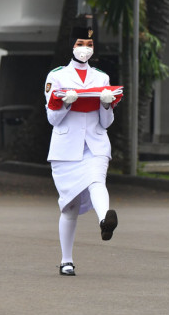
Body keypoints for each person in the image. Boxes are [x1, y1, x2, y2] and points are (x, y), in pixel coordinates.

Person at [44, 24, 123, 276]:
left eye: (89, 45)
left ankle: (104, 220)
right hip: (66, 148)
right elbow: (53, 119)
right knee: (69, 207)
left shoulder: (101, 78)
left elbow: (106, 122)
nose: (85, 49)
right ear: (72, 46)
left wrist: (107, 105)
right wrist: (66, 103)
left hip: (96, 143)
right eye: (80, 44)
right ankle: (66, 260)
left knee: (97, 180)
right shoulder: (56, 76)